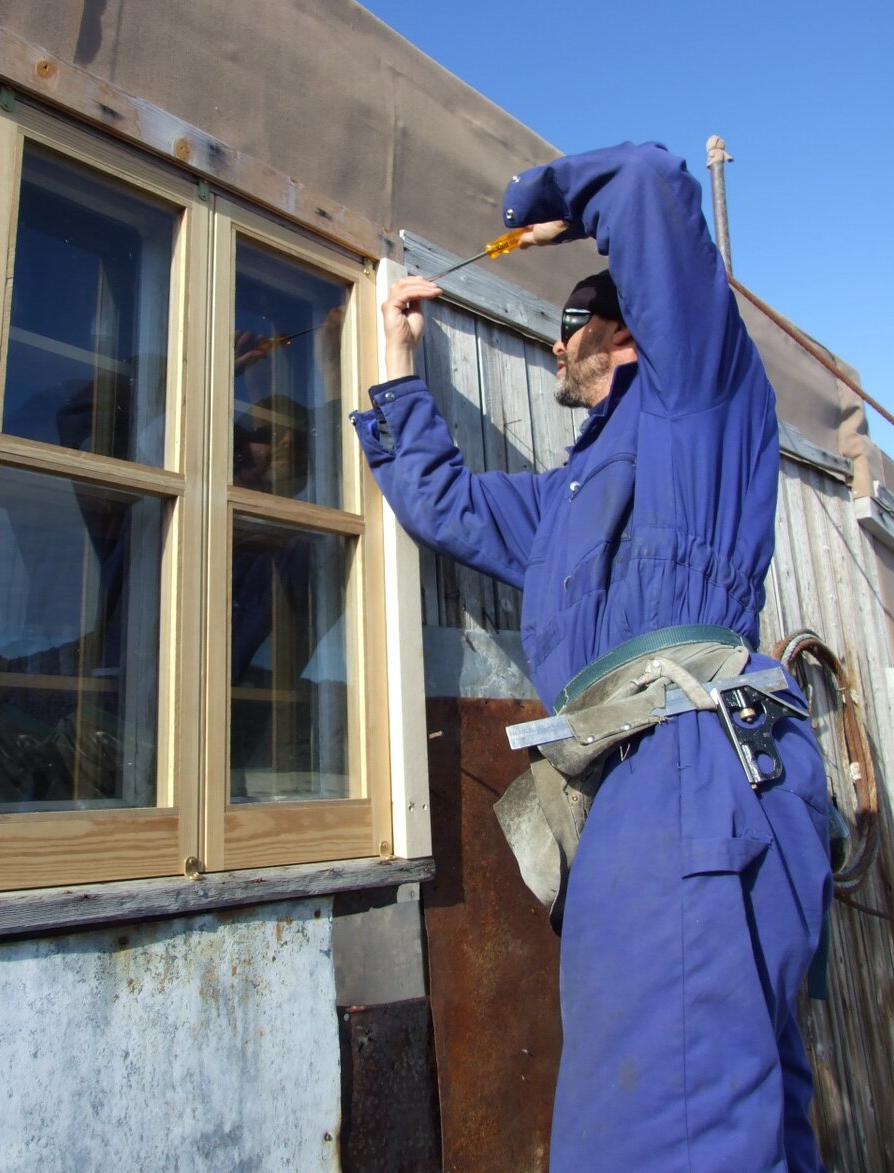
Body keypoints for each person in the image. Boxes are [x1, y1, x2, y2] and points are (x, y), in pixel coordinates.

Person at [350, 142, 832, 1171]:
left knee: (660, 1132)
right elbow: (443, 504)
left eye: (564, 328)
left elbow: (650, 188)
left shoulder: (693, 400)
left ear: (612, 328)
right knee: (746, 1121)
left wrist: (551, 207)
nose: (549, 351)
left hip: (687, 763)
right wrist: (396, 357)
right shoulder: (569, 496)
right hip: (649, 782)